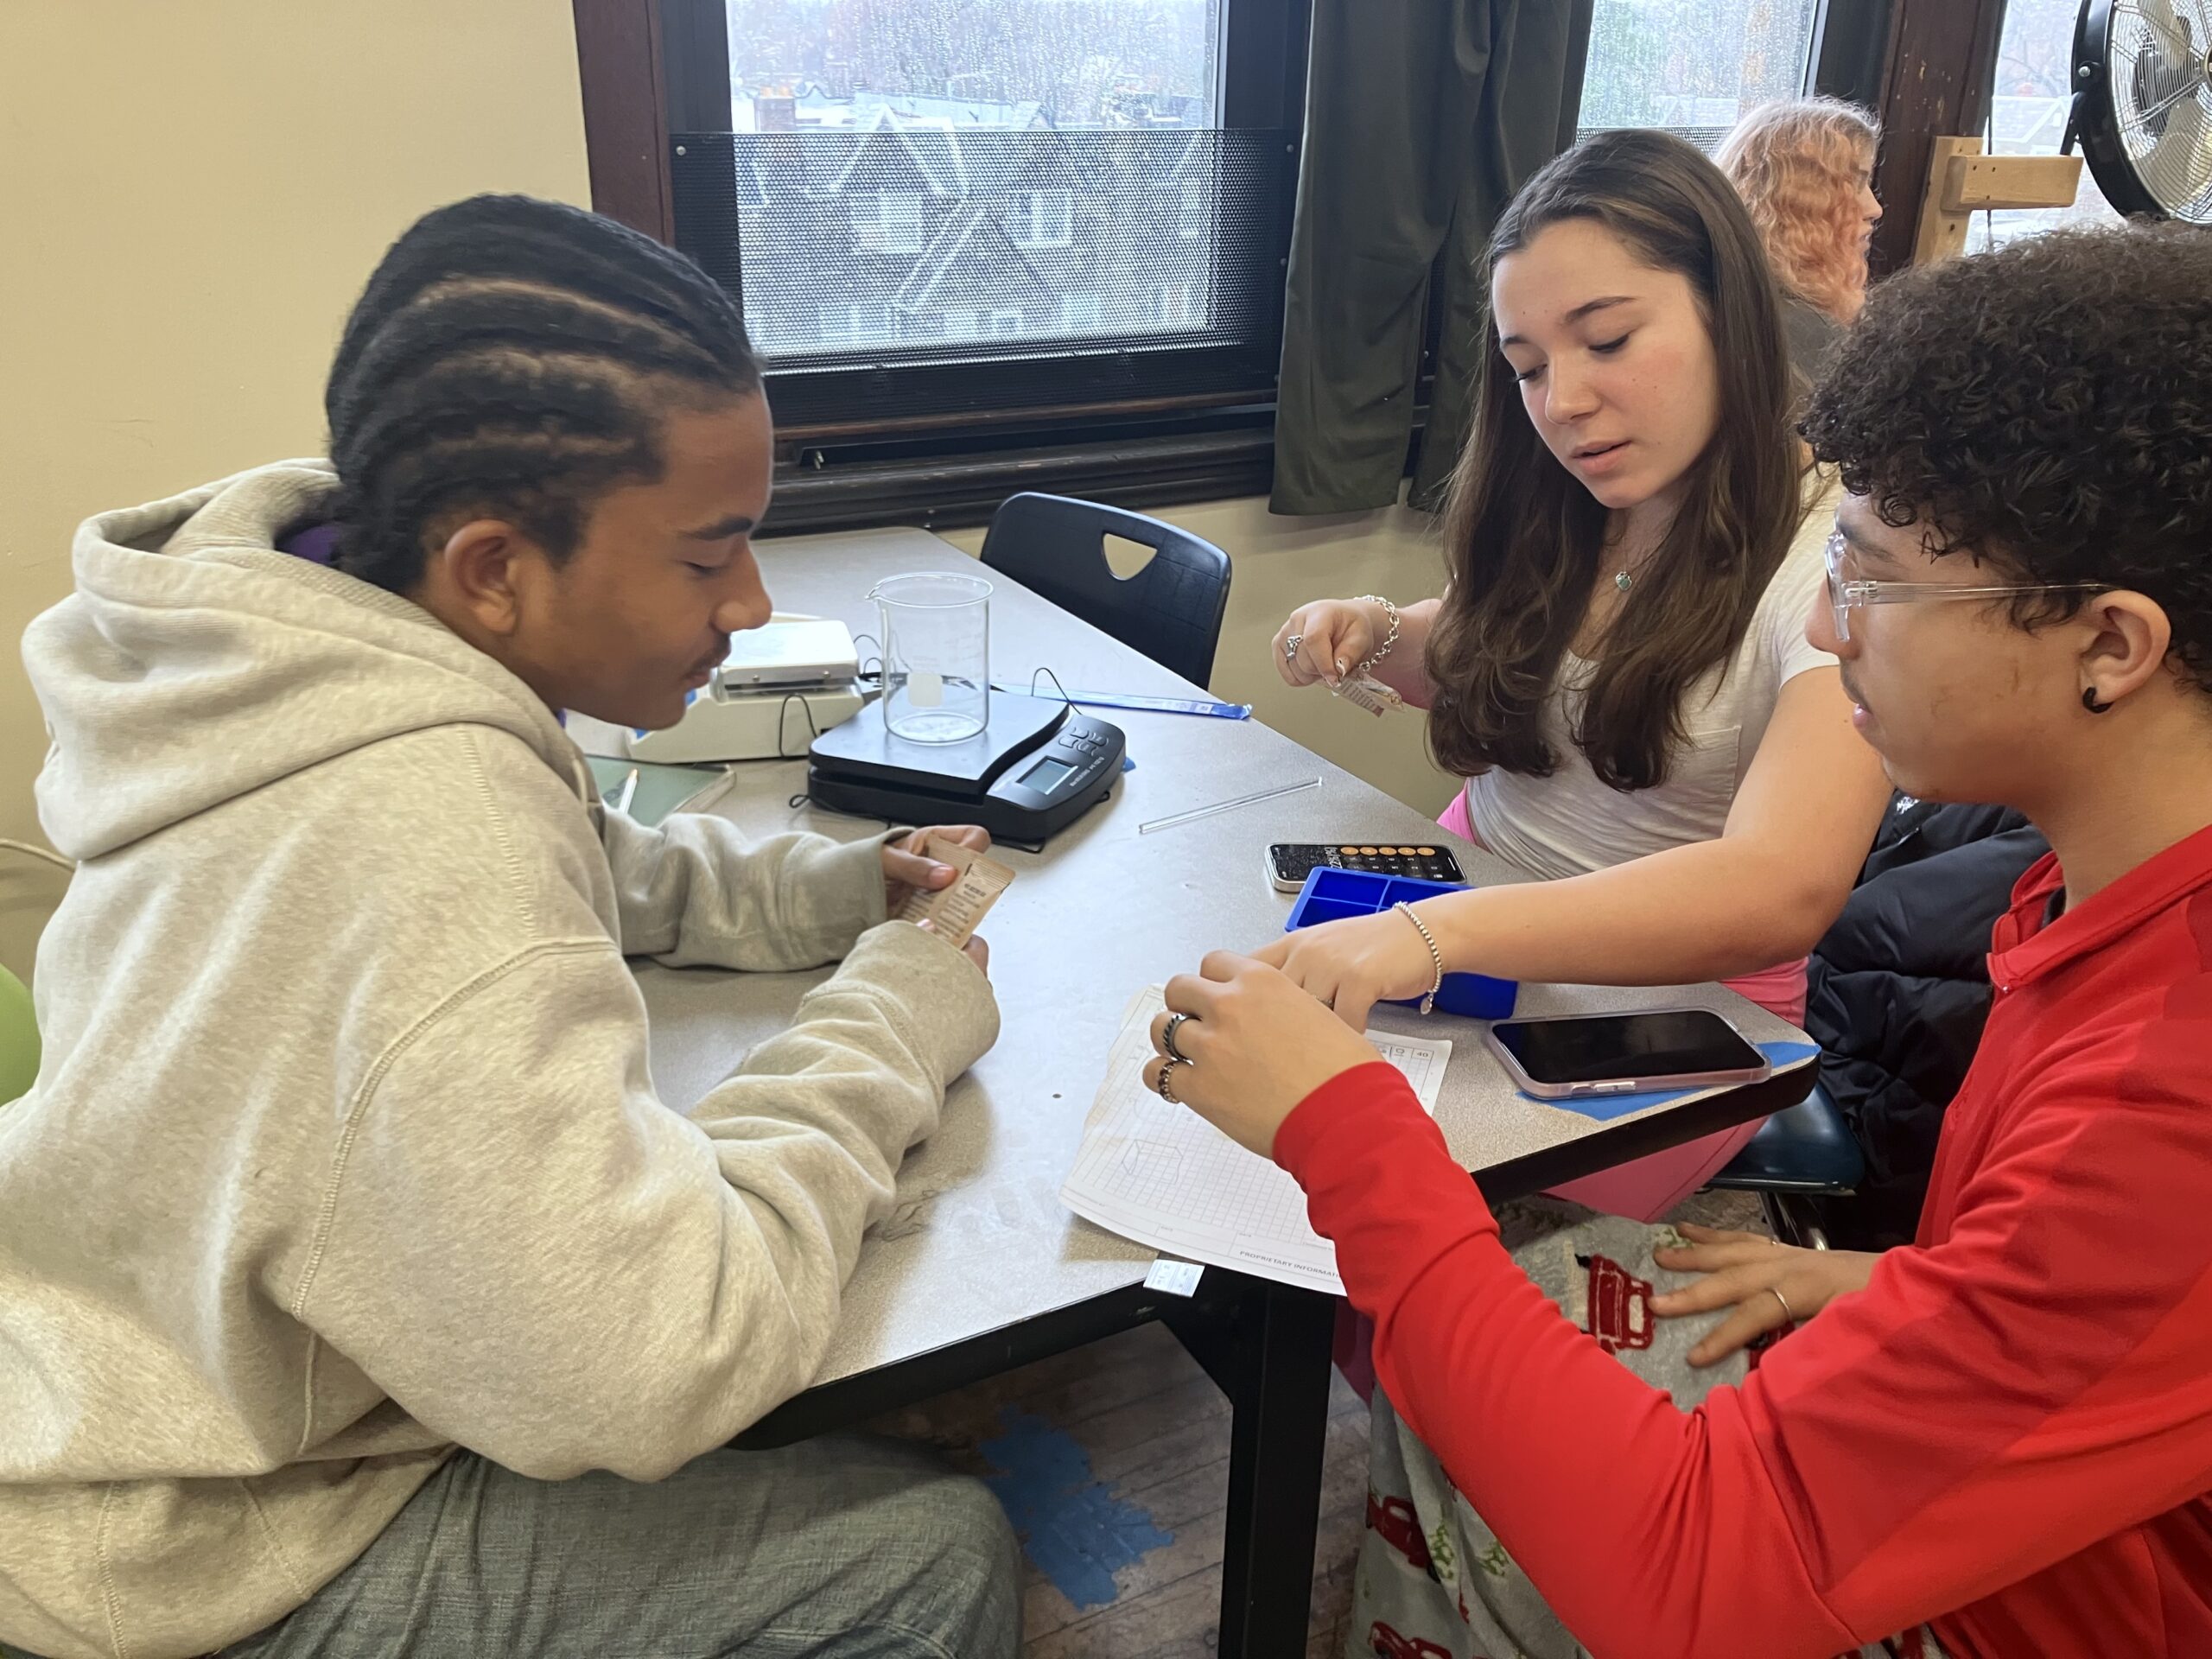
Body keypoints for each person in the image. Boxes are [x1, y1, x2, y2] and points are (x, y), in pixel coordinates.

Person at [1153, 220, 2212, 1658]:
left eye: (1879, 579)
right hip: (1995, 1510)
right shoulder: (2092, 899)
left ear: (2110, 647)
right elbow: (2121, 1307)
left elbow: (1698, 1580)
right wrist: (1910, 1291)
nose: (1835, 626)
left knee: (1480, 1374)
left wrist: (1348, 1131)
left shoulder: (2168, 1096)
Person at [0, 195, 1020, 1659]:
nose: (752, 599)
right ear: (495, 568)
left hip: (86, 1381)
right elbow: (661, 1360)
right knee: (923, 1560)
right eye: (707, 552)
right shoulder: (419, 837)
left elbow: (586, 863)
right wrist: (898, 1017)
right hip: (186, 1552)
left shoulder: (308, 647)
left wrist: (838, 893)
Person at [1270, 130, 1890, 1221]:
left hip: (1671, 1005)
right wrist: (1367, 628)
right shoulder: (1579, 507)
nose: (1562, 402)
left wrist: (1433, 933)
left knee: (1369, 1200)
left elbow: (1780, 889)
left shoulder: (1825, 566)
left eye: (1605, 341)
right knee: (1270, 1126)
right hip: (1476, 914)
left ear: (1726, 314)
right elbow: (1478, 663)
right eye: (1528, 370)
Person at [1715, 97, 1883, 384]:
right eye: (1854, 184)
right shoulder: (1800, 328)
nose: (1874, 209)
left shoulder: (1734, 297)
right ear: (1794, 202)